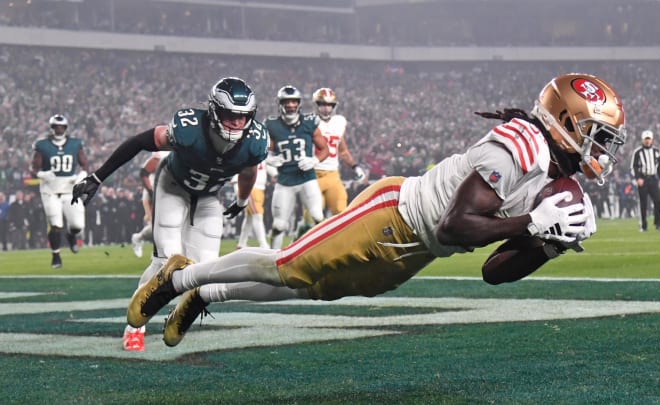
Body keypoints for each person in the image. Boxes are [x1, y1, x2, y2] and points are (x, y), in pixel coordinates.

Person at [126, 73, 626, 348]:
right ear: (566, 121)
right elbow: (459, 224)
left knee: (308, 289)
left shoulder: (556, 182)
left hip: (415, 251)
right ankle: (178, 278)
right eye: (598, 136)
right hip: (393, 213)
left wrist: (545, 245)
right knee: (290, 263)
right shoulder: (520, 145)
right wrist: (532, 222)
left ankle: (206, 291)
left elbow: (494, 272)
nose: (602, 150)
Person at [72, 77, 268, 351]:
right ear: (213, 111)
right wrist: (97, 176)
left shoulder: (255, 142)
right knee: (167, 262)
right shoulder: (188, 129)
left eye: (243, 117)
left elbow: (250, 171)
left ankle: (177, 316)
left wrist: (241, 200)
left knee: (208, 270)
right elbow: (139, 141)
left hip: (208, 196)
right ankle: (135, 326)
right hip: (172, 185)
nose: (237, 123)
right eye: (230, 115)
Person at [264, 85, 329, 249]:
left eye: (294, 102)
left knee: (318, 216)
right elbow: (265, 151)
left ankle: (323, 252)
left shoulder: (309, 122)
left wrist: (314, 160)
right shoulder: (272, 125)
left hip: (307, 179)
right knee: (279, 225)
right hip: (285, 181)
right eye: (287, 102)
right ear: (280, 104)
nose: (291, 105)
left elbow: (325, 149)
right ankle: (273, 259)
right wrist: (269, 159)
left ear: (299, 103)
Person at [31, 114, 90, 268]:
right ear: (51, 128)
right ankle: (56, 255)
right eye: (56, 127)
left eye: (61, 127)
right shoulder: (42, 145)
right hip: (50, 190)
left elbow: (85, 165)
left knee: (77, 225)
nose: (58, 129)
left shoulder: (75, 144)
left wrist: (81, 176)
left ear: (65, 128)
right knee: (55, 224)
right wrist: (42, 174)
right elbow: (33, 169)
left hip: (69, 189)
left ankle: (71, 236)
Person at [310, 87, 366, 215]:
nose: (326, 108)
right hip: (312, 174)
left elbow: (343, 151)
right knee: (313, 214)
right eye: (323, 104)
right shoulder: (307, 122)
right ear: (316, 105)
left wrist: (355, 166)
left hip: (333, 174)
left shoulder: (339, 122)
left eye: (330, 105)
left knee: (341, 211)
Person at [130, 150, 171, 258]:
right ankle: (152, 248)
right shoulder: (160, 157)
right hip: (153, 195)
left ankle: (141, 239)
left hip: (169, 196)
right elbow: (145, 176)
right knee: (157, 226)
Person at [630, 130, 660, 232]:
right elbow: (634, 167)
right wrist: (638, 178)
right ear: (642, 140)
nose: (647, 141)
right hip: (643, 179)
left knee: (658, 201)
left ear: (652, 140)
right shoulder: (638, 152)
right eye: (646, 139)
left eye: (649, 139)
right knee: (643, 204)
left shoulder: (656, 151)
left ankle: (659, 223)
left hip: (653, 179)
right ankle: (643, 225)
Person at [232, 160, 275, 249]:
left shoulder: (263, 152)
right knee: (257, 215)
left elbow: (267, 166)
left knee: (250, 218)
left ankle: (241, 243)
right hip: (250, 186)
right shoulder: (248, 150)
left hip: (260, 188)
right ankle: (263, 244)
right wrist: (237, 186)